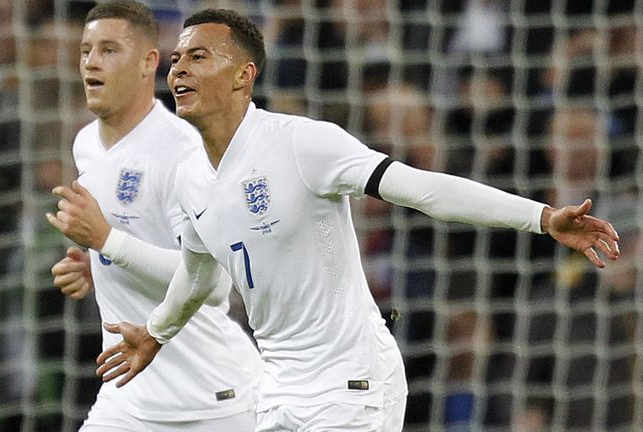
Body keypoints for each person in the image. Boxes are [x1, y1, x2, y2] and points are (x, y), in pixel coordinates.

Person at [94, 8, 620, 432]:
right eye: (178, 57)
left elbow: (424, 190)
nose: (178, 69)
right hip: (276, 391)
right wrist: (157, 332)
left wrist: (542, 216)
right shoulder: (188, 176)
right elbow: (198, 270)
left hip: (352, 384)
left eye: (199, 57)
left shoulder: (302, 143)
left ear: (243, 75)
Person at [45, 2, 260, 431]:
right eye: (86, 50)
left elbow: (215, 284)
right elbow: (141, 236)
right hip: (128, 399)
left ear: (148, 63)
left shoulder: (182, 151)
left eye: (108, 50)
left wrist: (107, 242)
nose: (91, 62)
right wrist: (98, 265)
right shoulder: (86, 143)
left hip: (210, 403)